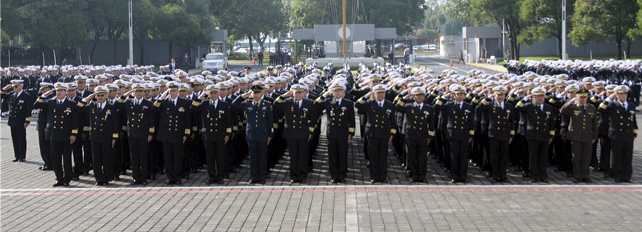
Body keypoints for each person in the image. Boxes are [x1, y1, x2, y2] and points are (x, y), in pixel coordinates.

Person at [33, 83, 80, 187]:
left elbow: (75, 120)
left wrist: (74, 133)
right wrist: (44, 95)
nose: (59, 93)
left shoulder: (71, 104)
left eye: (61, 91)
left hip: (66, 135)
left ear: (65, 92)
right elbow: (36, 105)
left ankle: (67, 179)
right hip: (53, 134)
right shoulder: (50, 102)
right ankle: (59, 178)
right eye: (57, 91)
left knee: (67, 158)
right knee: (56, 159)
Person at [274, 84, 318, 184]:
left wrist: (311, 132)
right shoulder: (287, 102)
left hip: (303, 133)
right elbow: (276, 104)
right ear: (292, 93)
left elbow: (313, 119)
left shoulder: (309, 103)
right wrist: (284, 95)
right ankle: (294, 176)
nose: (297, 95)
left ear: (303, 93)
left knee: (302, 155)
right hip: (291, 133)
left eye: (299, 93)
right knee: (293, 156)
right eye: (295, 93)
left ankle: (302, 176)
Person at [78, 86, 120, 186]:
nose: (100, 97)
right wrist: (86, 99)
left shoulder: (111, 107)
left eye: (102, 95)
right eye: (98, 95)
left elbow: (115, 123)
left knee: (106, 158)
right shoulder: (92, 105)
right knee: (96, 159)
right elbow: (79, 108)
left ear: (106, 96)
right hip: (95, 136)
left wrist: (114, 137)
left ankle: (106, 178)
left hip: (106, 136)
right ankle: (98, 178)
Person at [232, 83, 273, 184]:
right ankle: (254, 177)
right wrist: (243, 96)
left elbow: (270, 122)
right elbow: (234, 105)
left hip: (262, 134)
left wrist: (270, 135)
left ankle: (262, 176)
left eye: (258, 93)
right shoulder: (248, 103)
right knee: (253, 157)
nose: (256, 95)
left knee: (262, 157)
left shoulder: (267, 105)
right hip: (251, 135)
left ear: (262, 93)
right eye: (254, 93)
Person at [192, 83, 232, 185]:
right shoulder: (204, 104)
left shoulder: (224, 104)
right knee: (209, 158)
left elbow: (228, 120)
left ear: (218, 93)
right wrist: (200, 97)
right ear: (208, 94)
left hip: (220, 135)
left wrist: (228, 134)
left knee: (220, 157)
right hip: (208, 135)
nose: (213, 95)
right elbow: (193, 108)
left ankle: (220, 177)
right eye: (211, 93)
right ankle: (211, 177)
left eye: (215, 93)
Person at [315, 83, 355, 184]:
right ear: (332, 92)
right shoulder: (328, 102)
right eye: (335, 91)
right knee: (332, 155)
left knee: (342, 154)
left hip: (343, 132)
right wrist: (325, 95)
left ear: (343, 92)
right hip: (331, 132)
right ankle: (334, 175)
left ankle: (341, 175)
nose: (337, 93)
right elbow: (315, 104)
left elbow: (352, 120)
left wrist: (351, 133)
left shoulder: (348, 103)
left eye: (339, 91)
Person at [356, 84, 397, 183]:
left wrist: (392, 134)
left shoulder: (390, 105)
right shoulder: (369, 103)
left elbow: (393, 121)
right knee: (373, 156)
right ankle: (374, 176)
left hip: (384, 133)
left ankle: (382, 176)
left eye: (382, 93)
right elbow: (357, 105)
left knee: (383, 156)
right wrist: (367, 95)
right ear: (374, 94)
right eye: (378, 93)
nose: (380, 95)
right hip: (372, 133)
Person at [434, 84, 475, 183]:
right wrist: (444, 97)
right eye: (457, 94)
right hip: (453, 134)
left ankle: (463, 176)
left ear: (464, 96)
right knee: (454, 156)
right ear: (454, 95)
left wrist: (471, 135)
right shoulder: (449, 105)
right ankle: (455, 176)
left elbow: (472, 122)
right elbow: (436, 107)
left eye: (461, 94)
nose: (460, 96)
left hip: (464, 134)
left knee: (463, 156)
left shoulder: (468, 106)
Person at [515, 87, 556, 183]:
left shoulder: (548, 108)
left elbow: (551, 124)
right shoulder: (529, 106)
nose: (540, 98)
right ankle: (533, 176)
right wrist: (526, 97)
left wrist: (551, 136)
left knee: (543, 157)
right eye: (538, 96)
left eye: (542, 96)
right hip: (533, 135)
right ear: (534, 97)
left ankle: (543, 176)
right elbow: (518, 107)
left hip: (544, 135)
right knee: (533, 157)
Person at [394, 87, 435, 183]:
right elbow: (396, 107)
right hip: (411, 135)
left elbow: (432, 123)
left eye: (421, 95)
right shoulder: (409, 106)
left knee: (422, 157)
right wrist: (405, 98)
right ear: (414, 97)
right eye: (417, 95)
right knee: (412, 156)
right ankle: (414, 175)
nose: (419, 97)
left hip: (422, 135)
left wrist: (430, 136)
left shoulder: (429, 108)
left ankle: (421, 176)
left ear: (424, 97)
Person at [154, 81, 192, 185]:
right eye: (170, 91)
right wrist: (161, 97)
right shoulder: (164, 102)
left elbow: (188, 119)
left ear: (178, 92)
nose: (172, 93)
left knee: (178, 157)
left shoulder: (184, 102)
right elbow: (154, 109)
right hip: (166, 134)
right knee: (168, 158)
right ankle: (170, 177)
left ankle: (178, 177)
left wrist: (186, 134)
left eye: (174, 91)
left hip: (178, 134)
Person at [117, 84, 155, 185]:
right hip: (132, 133)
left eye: (140, 91)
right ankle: (136, 177)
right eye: (136, 91)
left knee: (143, 156)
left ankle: (144, 178)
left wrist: (151, 133)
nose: (138, 93)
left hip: (143, 133)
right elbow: (117, 104)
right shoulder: (129, 102)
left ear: (143, 93)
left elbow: (152, 120)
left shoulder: (148, 103)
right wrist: (126, 94)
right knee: (134, 157)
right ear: (133, 92)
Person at [476, 86, 515, 183]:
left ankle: (503, 175)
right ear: (495, 95)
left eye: (502, 95)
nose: (500, 97)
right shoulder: (490, 105)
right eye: (498, 94)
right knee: (494, 156)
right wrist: (488, 97)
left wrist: (512, 134)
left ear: (505, 96)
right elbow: (478, 107)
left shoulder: (509, 106)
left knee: (504, 156)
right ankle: (495, 175)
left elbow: (512, 121)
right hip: (494, 133)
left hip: (505, 134)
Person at [599, 85, 637, 183]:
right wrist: (609, 98)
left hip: (628, 134)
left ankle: (627, 176)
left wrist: (635, 133)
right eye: (621, 94)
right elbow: (601, 108)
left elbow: (634, 121)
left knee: (628, 156)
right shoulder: (612, 105)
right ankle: (617, 176)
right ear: (617, 95)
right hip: (617, 134)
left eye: (625, 94)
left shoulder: (631, 105)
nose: (623, 96)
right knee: (617, 157)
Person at [560, 87, 598, 183]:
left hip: (588, 135)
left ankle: (585, 175)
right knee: (577, 157)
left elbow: (595, 124)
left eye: (584, 97)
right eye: (581, 97)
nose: (583, 99)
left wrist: (594, 136)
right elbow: (562, 111)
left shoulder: (591, 108)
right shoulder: (573, 107)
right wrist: (571, 101)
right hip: (575, 136)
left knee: (586, 157)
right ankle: (577, 176)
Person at [2, 80, 32, 162]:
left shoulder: (26, 96)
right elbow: (2, 95)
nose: (14, 88)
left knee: (21, 139)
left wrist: (27, 120)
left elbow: (29, 109)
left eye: (16, 86)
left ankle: (22, 156)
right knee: (15, 139)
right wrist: (4, 88)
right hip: (13, 121)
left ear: (21, 86)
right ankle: (17, 155)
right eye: (13, 86)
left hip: (21, 121)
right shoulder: (12, 95)